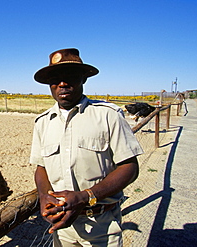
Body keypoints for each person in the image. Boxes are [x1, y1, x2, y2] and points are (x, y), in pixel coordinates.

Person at [30, 48, 143, 247]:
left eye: (70, 76)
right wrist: (44, 196)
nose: (62, 83)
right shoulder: (43, 122)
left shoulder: (108, 116)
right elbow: (41, 167)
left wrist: (85, 197)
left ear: (83, 78)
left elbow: (130, 167)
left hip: (102, 225)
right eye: (55, 79)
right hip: (62, 226)